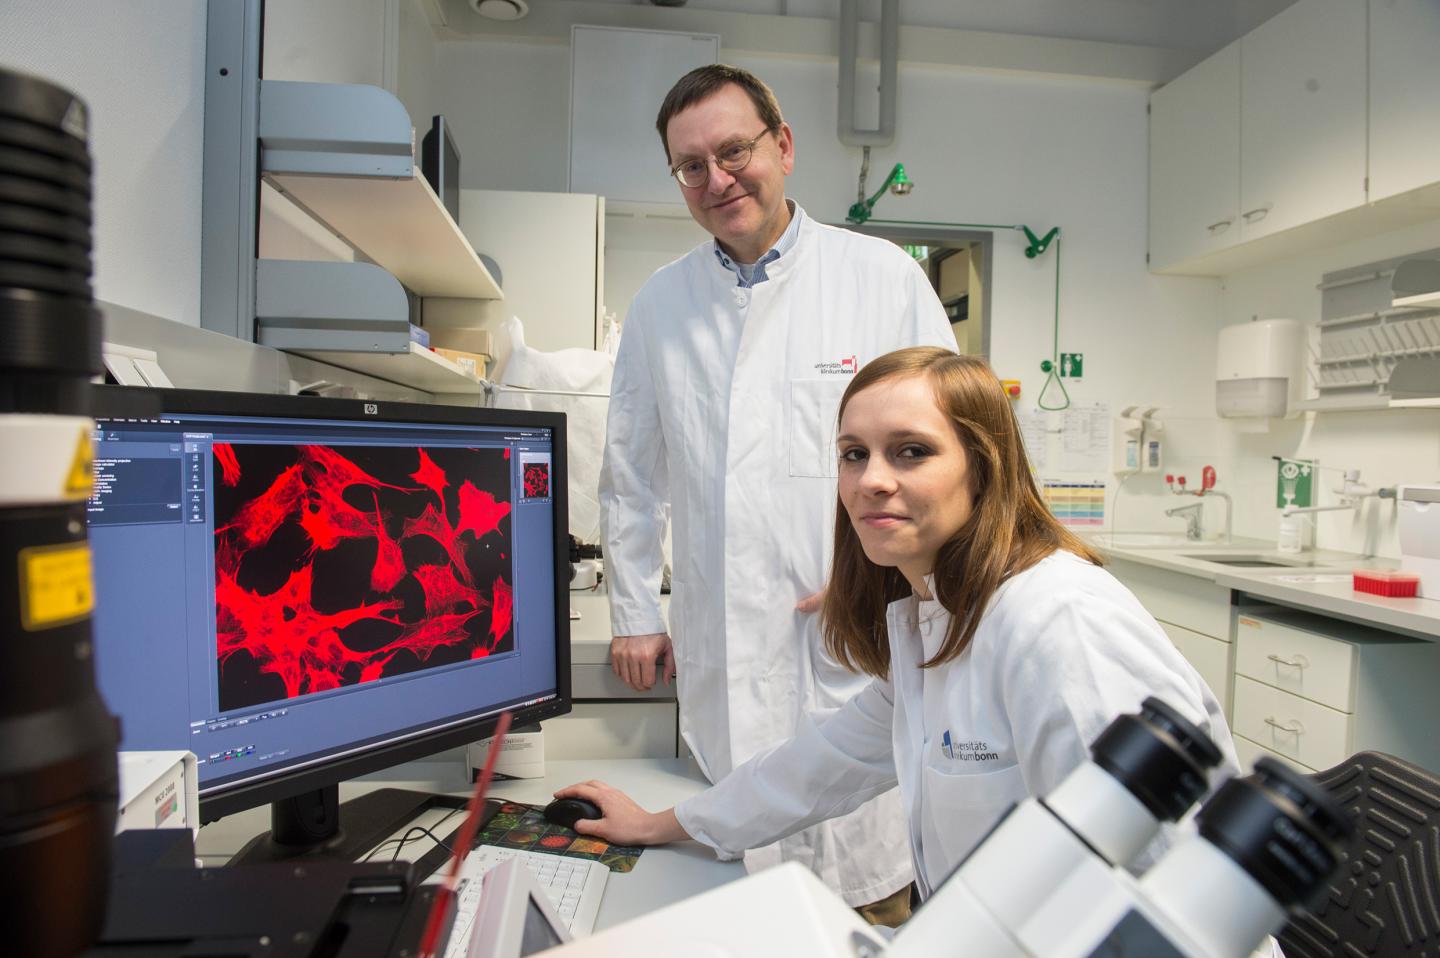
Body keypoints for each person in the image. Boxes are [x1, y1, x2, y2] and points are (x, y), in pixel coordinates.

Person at [572, 347, 1240, 907]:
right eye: (854, 454)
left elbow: (1170, 888)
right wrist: (666, 824)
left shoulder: (1059, 623)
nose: (871, 481)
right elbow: (821, 765)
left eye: (911, 452)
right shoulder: (937, 618)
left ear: (983, 467)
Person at [599, 64, 955, 917]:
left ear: (783, 146)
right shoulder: (660, 304)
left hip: (853, 645)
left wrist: (892, 577)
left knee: (863, 894)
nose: (717, 179)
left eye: (733, 151)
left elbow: (959, 450)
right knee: (728, 900)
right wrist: (635, 612)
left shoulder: (882, 280)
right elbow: (630, 470)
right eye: (692, 166)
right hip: (724, 648)